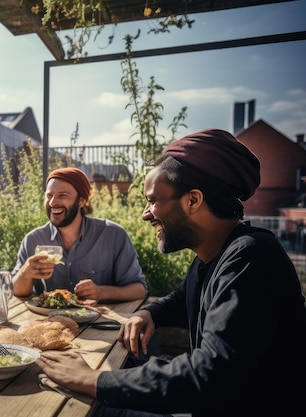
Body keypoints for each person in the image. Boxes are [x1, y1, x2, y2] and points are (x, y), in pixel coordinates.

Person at [37, 129, 306, 417]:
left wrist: (92, 380)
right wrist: (149, 313)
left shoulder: (251, 258)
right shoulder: (213, 257)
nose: (146, 214)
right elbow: (182, 297)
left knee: (94, 410)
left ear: (193, 200)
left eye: (152, 200)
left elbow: (207, 377)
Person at [11, 167, 147, 304]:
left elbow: (139, 289)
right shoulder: (33, 240)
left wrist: (101, 292)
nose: (53, 203)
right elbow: (16, 290)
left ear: (82, 201)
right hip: (50, 322)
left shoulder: (113, 236)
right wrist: (26, 272)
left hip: (102, 321)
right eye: (49, 196)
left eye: (62, 195)